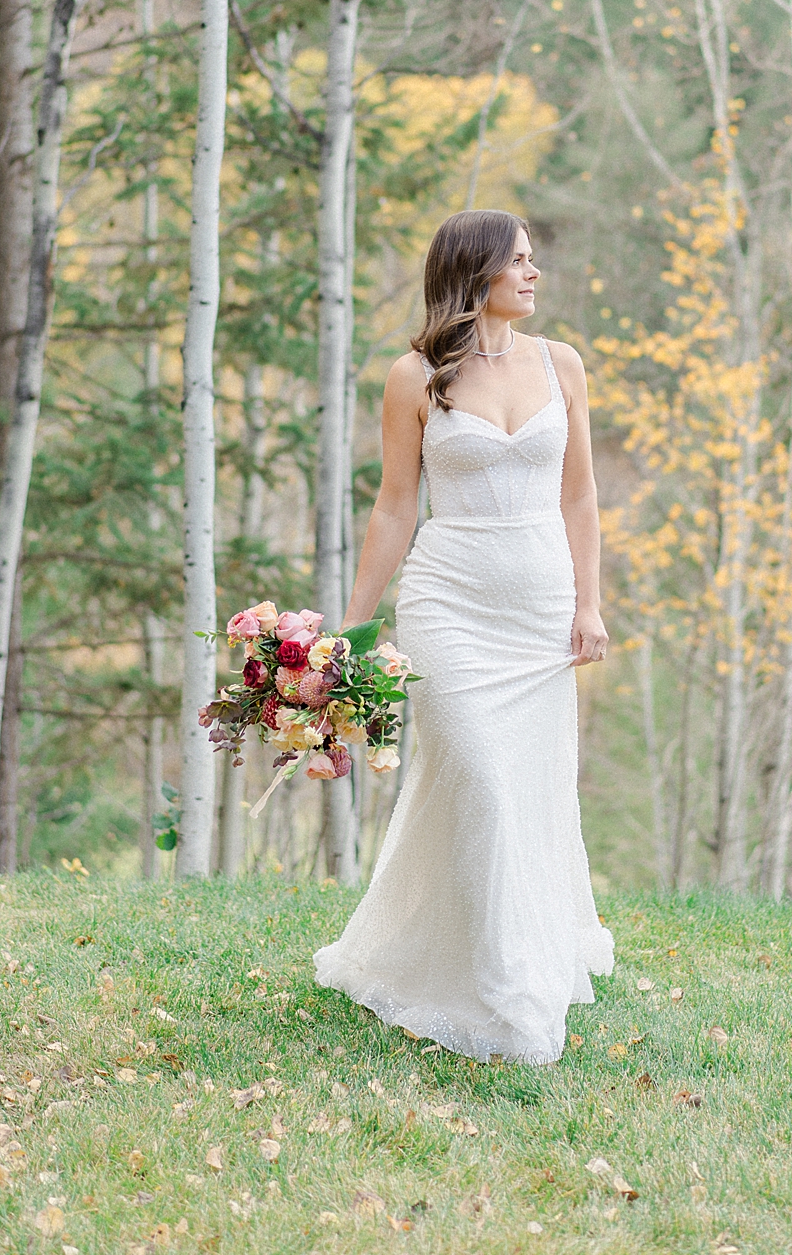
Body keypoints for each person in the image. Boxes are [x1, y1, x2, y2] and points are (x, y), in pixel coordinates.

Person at [313, 208, 614, 1064]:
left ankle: (512, 950)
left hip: (538, 612)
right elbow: (395, 505)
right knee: (479, 778)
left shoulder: (562, 365)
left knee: (525, 790)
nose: (533, 273)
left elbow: (581, 497)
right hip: (449, 603)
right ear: (475, 271)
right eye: (518, 261)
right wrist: (355, 628)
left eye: (532, 260)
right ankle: (502, 993)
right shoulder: (416, 377)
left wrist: (588, 603)